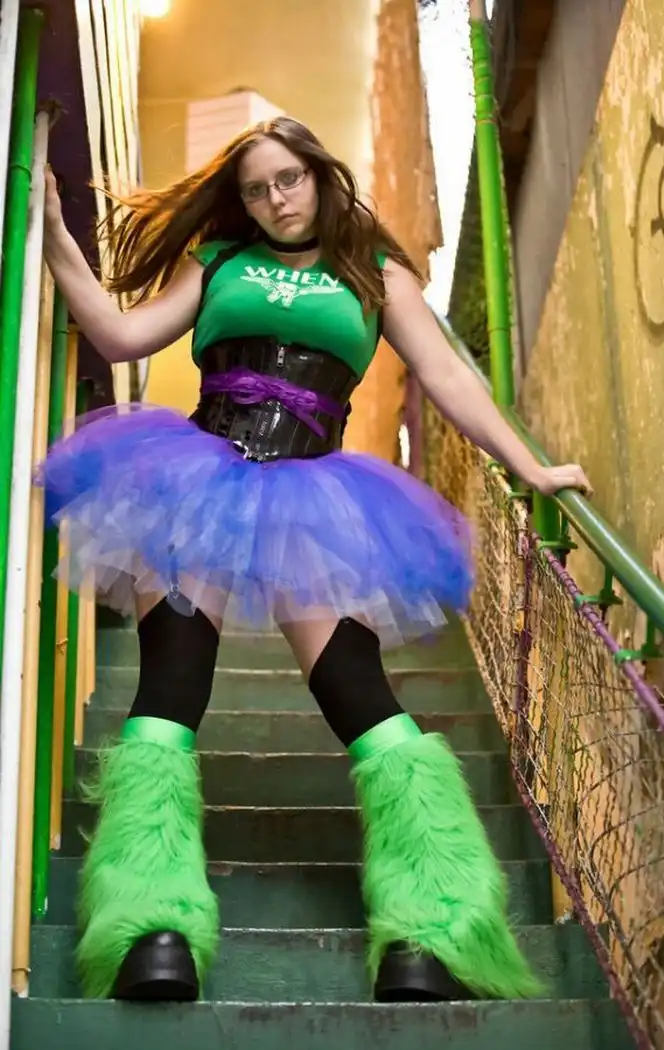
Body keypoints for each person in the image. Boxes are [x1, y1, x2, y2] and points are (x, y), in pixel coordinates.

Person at [40, 116, 591, 1005]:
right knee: (171, 684)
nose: (275, 199)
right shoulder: (219, 258)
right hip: (196, 480)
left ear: (321, 174)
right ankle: (147, 923)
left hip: (315, 497)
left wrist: (531, 467)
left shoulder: (374, 272)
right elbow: (118, 335)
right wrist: (54, 235)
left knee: (355, 691)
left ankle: (437, 925)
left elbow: (449, 376)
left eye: (288, 179)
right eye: (256, 188)